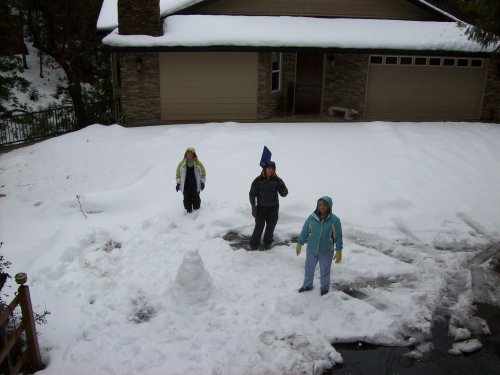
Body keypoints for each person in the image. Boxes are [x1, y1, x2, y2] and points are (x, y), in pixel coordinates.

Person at [295, 196, 343, 296]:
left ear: (329, 206)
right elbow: (305, 231)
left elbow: (338, 236)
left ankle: (325, 288)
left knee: (325, 270)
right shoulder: (312, 217)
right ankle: (307, 285)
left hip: (326, 250)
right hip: (311, 249)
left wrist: (339, 250)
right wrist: (300, 243)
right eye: (320, 205)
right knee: (309, 268)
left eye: (324, 205)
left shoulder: (334, 220)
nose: (322, 207)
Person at [249, 161, 288, 250]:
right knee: (259, 226)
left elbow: (284, 194)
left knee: (271, 226)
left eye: (273, 169)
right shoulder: (258, 180)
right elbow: (252, 194)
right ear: (265, 169)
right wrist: (253, 207)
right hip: (261, 207)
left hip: (273, 207)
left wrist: (282, 186)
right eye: (269, 168)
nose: (271, 170)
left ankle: (268, 242)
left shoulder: (277, 180)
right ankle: (254, 244)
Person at [176, 147, 206, 213]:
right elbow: (178, 174)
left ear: (194, 154)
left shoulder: (198, 163)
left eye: (191, 153)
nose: (189, 155)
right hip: (186, 186)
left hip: (195, 185)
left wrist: (202, 183)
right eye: (188, 153)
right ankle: (188, 211)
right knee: (187, 199)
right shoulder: (182, 163)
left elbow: (203, 173)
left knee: (196, 199)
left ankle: (197, 212)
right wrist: (178, 184)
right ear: (185, 154)